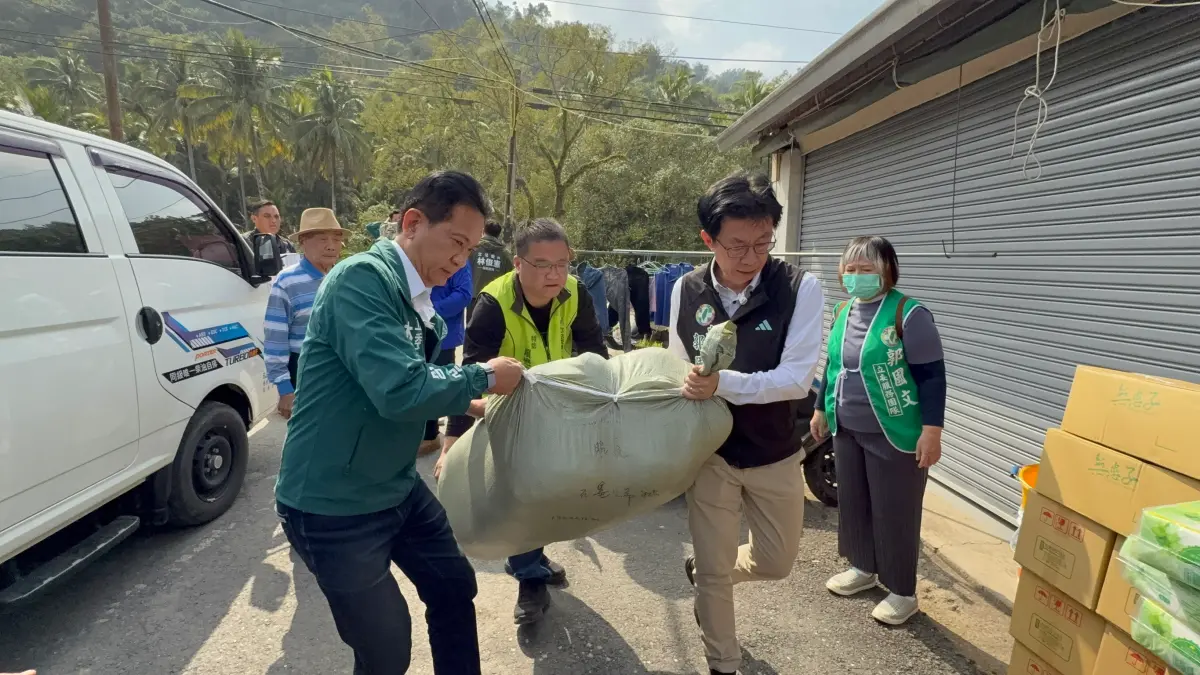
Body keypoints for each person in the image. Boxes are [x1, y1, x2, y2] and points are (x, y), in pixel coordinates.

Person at [273, 171, 525, 674]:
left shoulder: (415, 298)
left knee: (454, 587)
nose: (461, 259)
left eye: (470, 248)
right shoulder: (362, 280)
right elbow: (398, 388)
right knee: (386, 650)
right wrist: (483, 377)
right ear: (412, 222)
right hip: (334, 507)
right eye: (456, 241)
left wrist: (470, 406)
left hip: (393, 486)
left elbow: (414, 378)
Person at [668, 172, 825, 675]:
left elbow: (796, 379)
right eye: (736, 245)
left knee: (776, 562)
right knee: (715, 572)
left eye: (762, 242)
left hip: (776, 450)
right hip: (711, 454)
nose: (750, 257)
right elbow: (677, 371)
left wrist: (724, 385)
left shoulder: (800, 288)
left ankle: (708, 572)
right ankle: (723, 661)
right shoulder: (685, 290)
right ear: (708, 240)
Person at [437, 217, 608, 626]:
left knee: (553, 492)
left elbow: (594, 352)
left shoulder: (575, 292)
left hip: (561, 408)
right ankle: (530, 574)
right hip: (508, 414)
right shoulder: (492, 305)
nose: (554, 275)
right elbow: (471, 378)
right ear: (518, 263)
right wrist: (451, 441)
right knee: (522, 493)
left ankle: (532, 558)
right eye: (543, 264)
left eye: (562, 264)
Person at [810, 235, 946, 626]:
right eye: (850, 269)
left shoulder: (909, 313)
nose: (856, 276)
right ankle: (862, 568)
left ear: (887, 271)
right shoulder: (843, 310)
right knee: (854, 502)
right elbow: (833, 366)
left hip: (895, 431)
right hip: (847, 427)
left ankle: (902, 591)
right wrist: (821, 409)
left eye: (866, 269)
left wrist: (932, 431)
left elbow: (932, 377)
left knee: (895, 510)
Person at [263, 208, 346, 420]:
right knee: (308, 434)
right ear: (303, 241)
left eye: (336, 239)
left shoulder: (344, 277)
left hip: (341, 367)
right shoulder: (287, 282)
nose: (331, 246)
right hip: (304, 368)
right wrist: (284, 388)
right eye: (322, 239)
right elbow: (275, 337)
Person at [420, 260, 473, 455]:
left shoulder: (459, 261)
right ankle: (424, 429)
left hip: (443, 334)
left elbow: (463, 294)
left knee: (438, 382)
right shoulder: (422, 254)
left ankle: (431, 436)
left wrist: (429, 309)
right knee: (420, 380)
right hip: (417, 330)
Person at [469, 220, 513, 302]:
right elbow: (511, 277)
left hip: (474, 297)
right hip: (496, 299)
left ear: (483, 231)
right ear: (499, 234)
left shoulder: (473, 249)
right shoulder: (505, 254)